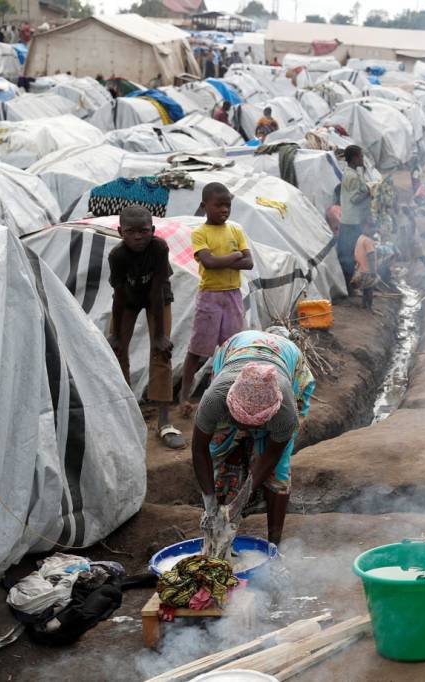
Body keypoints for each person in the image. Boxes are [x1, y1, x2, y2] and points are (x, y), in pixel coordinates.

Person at [193, 329, 315, 546]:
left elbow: (272, 456)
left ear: (271, 412)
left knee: (279, 473)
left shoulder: (286, 412)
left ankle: (273, 547)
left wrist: (242, 499)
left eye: (255, 423)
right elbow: (200, 450)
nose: (245, 427)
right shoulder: (214, 398)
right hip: (236, 348)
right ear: (229, 403)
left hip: (287, 359)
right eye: (240, 421)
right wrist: (210, 505)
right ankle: (217, 532)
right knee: (219, 449)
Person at [107, 205, 184, 450]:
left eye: (144, 230)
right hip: (127, 301)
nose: (138, 236)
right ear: (121, 231)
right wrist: (116, 334)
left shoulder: (158, 248)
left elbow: (157, 289)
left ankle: (163, 422)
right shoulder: (117, 256)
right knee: (117, 353)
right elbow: (118, 295)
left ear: (153, 229)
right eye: (131, 231)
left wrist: (160, 335)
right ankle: (126, 416)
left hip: (158, 299)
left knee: (162, 352)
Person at [180, 183, 253, 416]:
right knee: (198, 348)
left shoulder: (235, 230)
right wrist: (234, 256)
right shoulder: (200, 233)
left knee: (231, 347)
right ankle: (184, 397)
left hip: (232, 294)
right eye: (218, 205)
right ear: (204, 206)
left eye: (227, 205)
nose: (224, 210)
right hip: (210, 296)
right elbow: (208, 263)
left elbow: (249, 262)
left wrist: (223, 260)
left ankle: (229, 394)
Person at [337, 145, 372, 288]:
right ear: (355, 158)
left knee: (349, 253)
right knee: (353, 254)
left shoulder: (350, 173)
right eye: (361, 156)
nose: (363, 159)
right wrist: (369, 193)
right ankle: (350, 285)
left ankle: (349, 284)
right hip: (352, 221)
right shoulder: (352, 176)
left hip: (349, 219)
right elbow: (355, 198)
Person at [350, 231, 378, 310]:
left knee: (366, 288)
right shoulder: (368, 241)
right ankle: (369, 307)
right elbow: (371, 257)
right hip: (367, 269)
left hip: (360, 268)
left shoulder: (360, 237)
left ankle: (364, 305)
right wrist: (373, 271)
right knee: (369, 289)